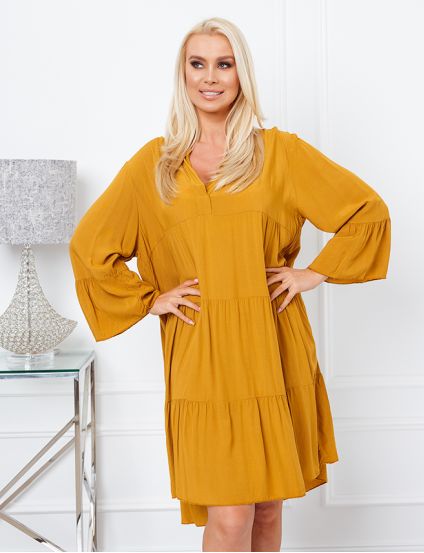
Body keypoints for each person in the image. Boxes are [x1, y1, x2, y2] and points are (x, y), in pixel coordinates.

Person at [69, 16, 391, 553]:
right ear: (183, 74)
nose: (210, 77)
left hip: (274, 343)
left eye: (225, 64)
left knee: (266, 510)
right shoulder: (154, 166)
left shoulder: (279, 153)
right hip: (202, 354)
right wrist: (151, 300)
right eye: (198, 64)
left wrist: (313, 272)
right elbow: (89, 247)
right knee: (230, 515)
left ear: (242, 73)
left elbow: (366, 211)